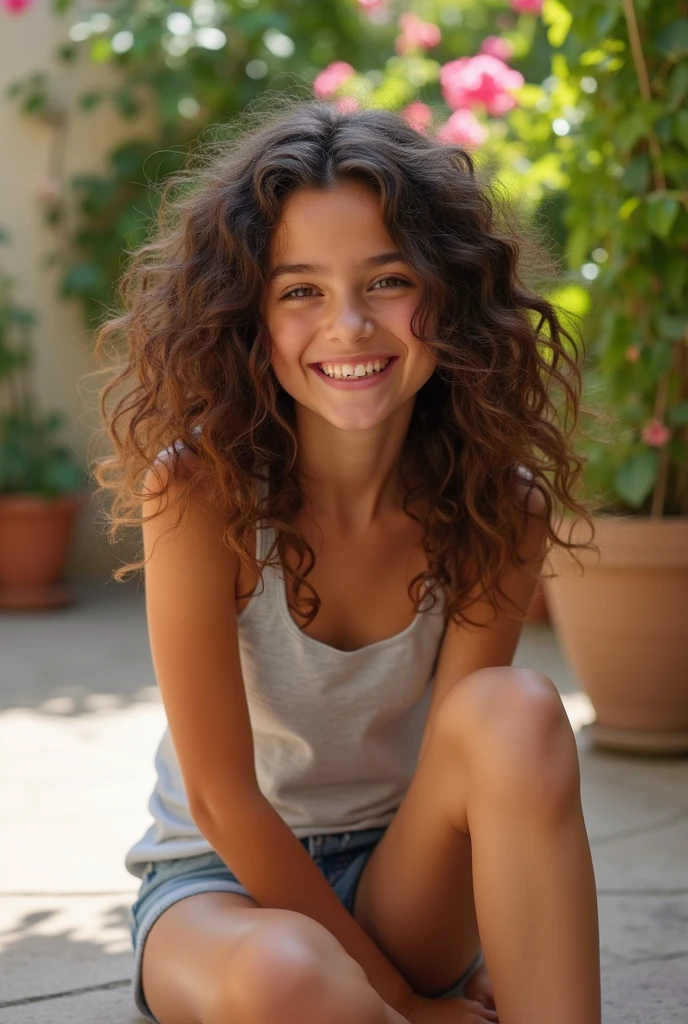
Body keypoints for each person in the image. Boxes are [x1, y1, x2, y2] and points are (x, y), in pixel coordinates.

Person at [92, 98, 602, 1024]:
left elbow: (475, 755)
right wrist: (406, 1001)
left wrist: (492, 927)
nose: (351, 325)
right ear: (249, 318)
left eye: (388, 281)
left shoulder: (497, 501)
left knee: (519, 712)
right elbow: (219, 797)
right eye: (301, 291)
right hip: (222, 884)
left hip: (403, 872)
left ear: (447, 294)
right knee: (293, 978)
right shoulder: (201, 492)